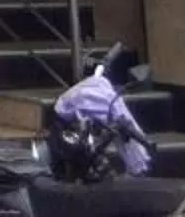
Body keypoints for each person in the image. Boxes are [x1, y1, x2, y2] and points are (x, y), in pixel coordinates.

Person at [52, 47, 154, 177]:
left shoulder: (80, 92)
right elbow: (123, 117)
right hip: (69, 138)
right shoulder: (103, 92)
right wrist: (140, 163)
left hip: (68, 134)